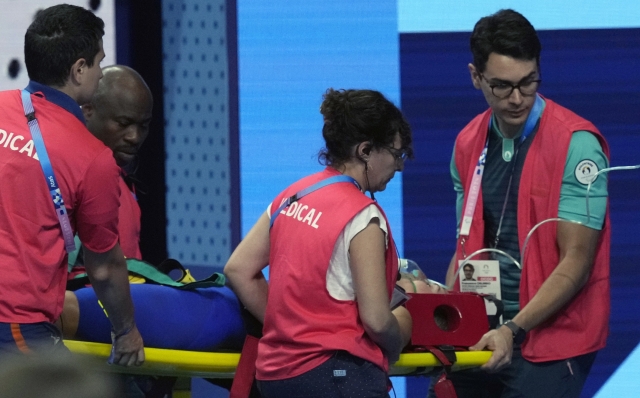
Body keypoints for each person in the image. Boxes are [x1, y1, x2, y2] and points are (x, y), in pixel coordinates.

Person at [436, 9, 610, 398]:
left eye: (528, 82)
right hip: (482, 331)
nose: (517, 99)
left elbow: (577, 262)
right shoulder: (467, 142)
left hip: (551, 338)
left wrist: (512, 330)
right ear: (475, 77)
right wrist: (443, 319)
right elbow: (465, 245)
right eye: (501, 86)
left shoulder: (578, 145)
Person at [224, 88, 414, 397]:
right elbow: (378, 320)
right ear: (365, 150)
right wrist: (397, 341)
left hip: (275, 377)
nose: (400, 166)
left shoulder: (292, 195)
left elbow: (238, 269)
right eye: (396, 154)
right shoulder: (363, 215)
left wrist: (291, 328)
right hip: (339, 377)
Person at [0, 4, 143, 365]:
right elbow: (106, 268)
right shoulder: (93, 159)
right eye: (98, 62)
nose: (99, 71)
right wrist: (125, 331)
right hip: (16, 325)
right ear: (80, 70)